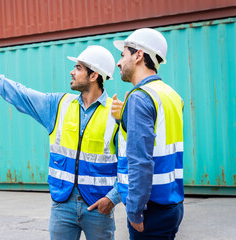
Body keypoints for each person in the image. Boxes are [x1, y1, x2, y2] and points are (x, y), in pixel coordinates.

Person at [0, 45, 121, 239]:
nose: (72, 71)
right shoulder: (59, 105)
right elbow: (20, 93)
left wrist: (112, 198)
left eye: (78, 68)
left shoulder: (116, 113)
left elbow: (131, 164)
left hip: (98, 208)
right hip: (62, 205)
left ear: (94, 76)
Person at [111, 28, 184, 239]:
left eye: (123, 55)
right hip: (172, 204)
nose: (119, 63)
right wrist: (124, 119)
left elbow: (140, 161)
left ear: (139, 55)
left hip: (149, 210)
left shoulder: (140, 98)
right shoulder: (171, 95)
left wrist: (134, 212)